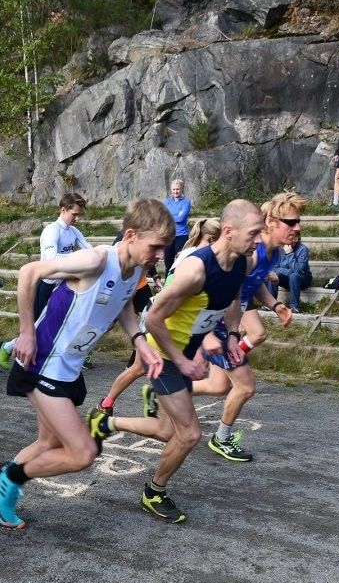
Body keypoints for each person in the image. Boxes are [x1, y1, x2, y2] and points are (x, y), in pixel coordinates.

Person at [0, 200, 172, 530]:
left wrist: (139, 341)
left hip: (68, 367)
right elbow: (29, 272)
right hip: (41, 364)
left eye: (163, 249)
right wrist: (26, 332)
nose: (159, 256)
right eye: (155, 247)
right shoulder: (95, 260)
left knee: (47, 443)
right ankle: (11, 477)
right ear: (131, 235)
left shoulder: (136, 269)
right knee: (82, 453)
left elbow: (123, 305)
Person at [89, 199, 262, 523]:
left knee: (170, 431)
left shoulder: (242, 262)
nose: (258, 240)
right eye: (253, 233)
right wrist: (183, 361)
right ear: (229, 231)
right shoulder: (196, 269)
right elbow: (153, 318)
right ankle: (154, 492)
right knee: (190, 434)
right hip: (164, 355)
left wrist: (233, 337)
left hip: (185, 353)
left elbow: (235, 300)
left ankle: (105, 422)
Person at [191, 193, 300, 462]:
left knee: (218, 386)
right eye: (291, 222)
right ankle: (221, 439)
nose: (297, 228)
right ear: (271, 222)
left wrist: (275, 305)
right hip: (215, 322)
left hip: (225, 323)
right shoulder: (252, 252)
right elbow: (222, 287)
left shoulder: (271, 254)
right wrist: (222, 332)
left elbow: (254, 284)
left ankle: (168, 389)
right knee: (245, 387)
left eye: (298, 222)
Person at [94, 218, 222, 419]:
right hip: (160, 315)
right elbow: (176, 293)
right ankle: (107, 404)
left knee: (158, 367)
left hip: (172, 318)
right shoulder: (194, 258)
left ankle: (146, 400)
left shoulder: (202, 257)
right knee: (140, 368)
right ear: (210, 239)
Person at [0, 193, 90, 368]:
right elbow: (51, 258)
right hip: (46, 285)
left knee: (63, 322)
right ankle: (8, 347)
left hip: (63, 285)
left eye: (79, 215)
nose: (77, 218)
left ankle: (61, 359)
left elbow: (89, 250)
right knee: (38, 327)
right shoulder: (51, 231)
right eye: (74, 214)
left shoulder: (73, 231)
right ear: (63, 210)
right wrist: (78, 256)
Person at [268, 237, 312, 312]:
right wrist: (289, 272)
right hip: (286, 278)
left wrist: (289, 254)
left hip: (303, 279)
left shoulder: (303, 249)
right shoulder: (279, 248)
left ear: (296, 239)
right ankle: (270, 304)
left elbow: (298, 271)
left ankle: (294, 307)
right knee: (273, 275)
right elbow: (274, 268)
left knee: (294, 276)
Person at [163, 180, 192, 271]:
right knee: (168, 264)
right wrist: (177, 215)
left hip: (181, 236)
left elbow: (181, 219)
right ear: (171, 190)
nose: (176, 191)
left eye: (178, 189)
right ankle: (168, 284)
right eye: (174, 189)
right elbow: (163, 216)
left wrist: (169, 215)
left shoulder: (186, 202)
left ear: (182, 189)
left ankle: (180, 283)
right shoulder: (166, 202)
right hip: (169, 235)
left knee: (181, 263)